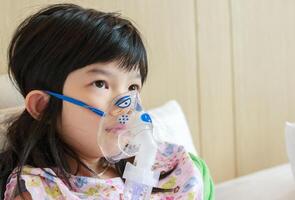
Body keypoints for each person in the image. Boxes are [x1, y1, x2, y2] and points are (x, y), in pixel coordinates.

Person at [0, 3, 214, 200]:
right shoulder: (39, 191)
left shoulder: (175, 169)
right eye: (101, 83)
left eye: (132, 87)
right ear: (43, 106)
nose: (126, 104)